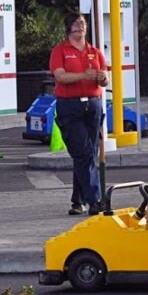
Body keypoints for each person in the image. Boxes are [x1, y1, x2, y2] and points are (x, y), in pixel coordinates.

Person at [49, 14, 109, 215]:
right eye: (75, 23)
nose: (80, 27)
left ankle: (78, 200)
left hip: (92, 105)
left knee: (87, 153)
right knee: (83, 152)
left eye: (82, 23)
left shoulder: (95, 52)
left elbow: (105, 79)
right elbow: (60, 76)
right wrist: (83, 75)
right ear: (68, 28)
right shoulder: (60, 51)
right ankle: (96, 199)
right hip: (70, 105)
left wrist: (102, 78)